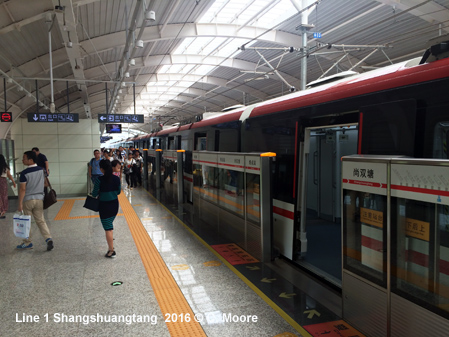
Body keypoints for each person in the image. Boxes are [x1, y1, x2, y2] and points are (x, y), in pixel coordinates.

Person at [17, 151, 54, 251]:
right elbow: (45, 184)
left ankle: (28, 242)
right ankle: (48, 238)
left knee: (26, 221)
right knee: (41, 221)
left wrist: (20, 203)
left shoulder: (24, 173)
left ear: (30, 160)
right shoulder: (42, 170)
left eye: (24, 158)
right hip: (39, 200)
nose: (22, 160)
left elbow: (22, 189)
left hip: (28, 200)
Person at [92, 160, 121, 258]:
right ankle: (111, 242)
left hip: (104, 207)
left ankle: (111, 251)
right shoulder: (117, 179)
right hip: (114, 206)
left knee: (108, 229)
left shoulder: (99, 180)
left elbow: (94, 193)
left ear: (101, 169)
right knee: (109, 225)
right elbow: (118, 192)